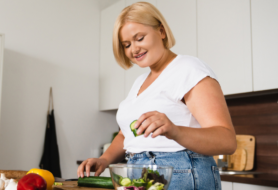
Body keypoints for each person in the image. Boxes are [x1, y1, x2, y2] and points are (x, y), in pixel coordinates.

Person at [77, 2, 236, 189]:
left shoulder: (188, 69)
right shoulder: (140, 83)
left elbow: (226, 140)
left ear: (161, 31)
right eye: (126, 44)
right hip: (139, 173)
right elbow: (125, 134)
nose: (133, 49)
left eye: (140, 38)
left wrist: (175, 130)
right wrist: (104, 160)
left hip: (180, 173)